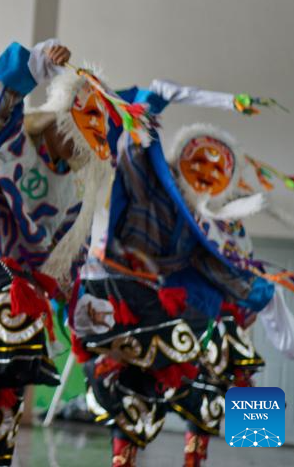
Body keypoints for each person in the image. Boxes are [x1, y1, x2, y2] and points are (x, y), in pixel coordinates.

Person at [0, 39, 116, 467]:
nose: (82, 150)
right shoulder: (10, 139)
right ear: (63, 117)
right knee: (15, 294)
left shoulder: (74, 194)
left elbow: (67, 265)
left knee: (5, 402)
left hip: (11, 294)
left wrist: (84, 318)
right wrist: (33, 65)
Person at [76, 120, 279, 466]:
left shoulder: (217, 222)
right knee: (128, 391)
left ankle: (203, 455)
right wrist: (140, 124)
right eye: (199, 161)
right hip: (137, 300)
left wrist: (254, 290)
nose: (207, 172)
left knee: (213, 379)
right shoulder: (154, 189)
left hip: (195, 312)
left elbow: (224, 265)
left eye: (218, 169)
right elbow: (133, 159)